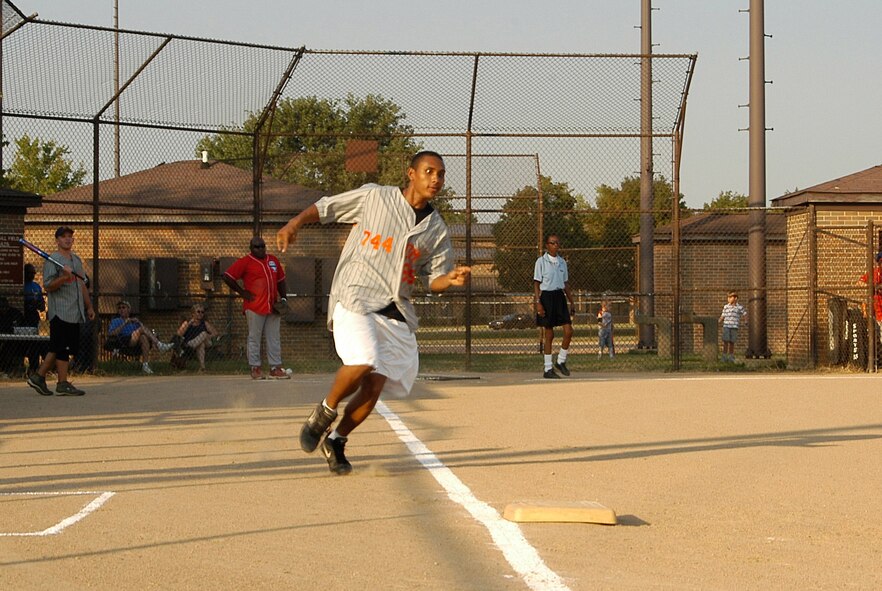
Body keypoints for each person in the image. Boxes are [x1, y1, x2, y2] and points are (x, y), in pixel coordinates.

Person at [276, 150, 470, 476]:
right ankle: (324, 413)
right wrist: (295, 222)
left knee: (374, 386)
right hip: (356, 295)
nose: (435, 179)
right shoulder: (376, 197)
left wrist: (448, 279)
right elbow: (327, 207)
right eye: (428, 171)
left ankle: (336, 441)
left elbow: (433, 280)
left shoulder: (435, 229)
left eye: (441, 174)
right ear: (411, 173)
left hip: (395, 309)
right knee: (364, 359)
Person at [26, 226, 95, 396]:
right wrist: (64, 277)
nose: (67, 239)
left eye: (70, 237)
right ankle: (62, 383)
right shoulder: (52, 260)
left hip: (74, 311)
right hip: (60, 311)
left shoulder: (76, 260)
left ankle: (38, 377)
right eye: (63, 237)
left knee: (59, 347)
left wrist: (89, 306)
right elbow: (48, 286)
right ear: (57, 240)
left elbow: (81, 284)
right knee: (61, 347)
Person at [222, 237, 289, 380]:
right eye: (256, 247)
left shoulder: (273, 260)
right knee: (254, 337)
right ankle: (255, 368)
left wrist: (283, 298)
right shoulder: (245, 261)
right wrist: (242, 292)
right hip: (254, 306)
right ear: (251, 248)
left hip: (273, 306)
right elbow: (228, 276)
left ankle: (275, 368)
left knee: (274, 337)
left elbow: (281, 280)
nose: (260, 249)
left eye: (262, 246)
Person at [533, 234, 575, 378]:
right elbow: (537, 283)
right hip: (547, 297)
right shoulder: (541, 261)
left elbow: (565, 284)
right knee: (549, 334)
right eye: (552, 243)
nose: (555, 245)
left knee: (568, 331)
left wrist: (572, 301)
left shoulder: (562, 262)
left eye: (557, 243)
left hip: (559, 297)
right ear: (547, 245)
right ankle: (547, 368)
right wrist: (538, 303)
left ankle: (561, 361)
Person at [106, 300, 173, 374]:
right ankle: (160, 345)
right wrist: (125, 323)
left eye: (123, 307)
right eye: (119, 308)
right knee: (141, 330)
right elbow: (111, 333)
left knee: (143, 337)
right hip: (124, 340)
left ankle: (145, 366)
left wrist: (139, 323)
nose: (121, 309)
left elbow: (145, 331)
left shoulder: (133, 322)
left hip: (135, 341)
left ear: (129, 310)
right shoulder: (116, 321)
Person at [171, 304, 219, 372]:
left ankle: (194, 345)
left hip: (205, 342)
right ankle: (202, 368)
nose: (200, 314)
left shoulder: (204, 323)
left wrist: (206, 336)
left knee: (204, 334)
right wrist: (189, 324)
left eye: (202, 312)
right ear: (193, 313)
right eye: (198, 312)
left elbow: (215, 333)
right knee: (201, 344)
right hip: (190, 342)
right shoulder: (187, 323)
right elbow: (179, 334)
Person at [22, 263, 46, 374]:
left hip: (34, 316)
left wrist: (37, 303)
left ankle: (35, 367)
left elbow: (41, 306)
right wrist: (29, 302)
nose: (32, 275)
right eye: (29, 273)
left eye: (33, 273)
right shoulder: (21, 285)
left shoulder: (36, 287)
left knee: (36, 342)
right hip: (24, 316)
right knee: (26, 342)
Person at [857, 252, 882, 339]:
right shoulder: (874, 272)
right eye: (880, 262)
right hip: (877, 308)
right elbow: (860, 282)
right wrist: (871, 287)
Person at [0, 296, 26, 376]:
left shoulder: (14, 313)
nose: (3, 309)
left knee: (11, 346)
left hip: (14, 339)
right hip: (2, 338)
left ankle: (10, 369)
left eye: (5, 307)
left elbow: (20, 326)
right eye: (1, 307)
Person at [719, 291, 748, 363]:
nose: (728, 299)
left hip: (734, 326)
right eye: (728, 297)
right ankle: (724, 356)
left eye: (730, 297)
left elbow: (745, 314)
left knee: (732, 342)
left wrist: (746, 321)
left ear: (735, 298)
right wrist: (719, 321)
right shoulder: (726, 307)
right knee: (726, 341)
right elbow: (723, 316)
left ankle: (731, 356)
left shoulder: (739, 307)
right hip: (726, 326)